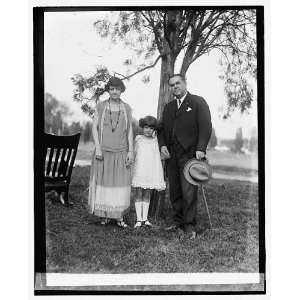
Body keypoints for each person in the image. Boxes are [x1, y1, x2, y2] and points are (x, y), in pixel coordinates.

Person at [158, 74, 212, 239]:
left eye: (178, 83)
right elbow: (161, 129)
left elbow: (206, 126)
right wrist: (163, 145)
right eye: (172, 85)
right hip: (172, 156)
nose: (175, 87)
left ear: (185, 83)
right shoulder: (168, 107)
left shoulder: (198, 102)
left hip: (190, 154)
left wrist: (201, 147)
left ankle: (189, 226)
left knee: (188, 191)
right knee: (175, 190)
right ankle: (178, 222)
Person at [88, 76, 134, 228]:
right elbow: (94, 127)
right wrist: (98, 148)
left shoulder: (126, 108)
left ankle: (119, 216)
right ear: (108, 90)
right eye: (112, 89)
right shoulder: (101, 106)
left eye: (117, 89)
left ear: (122, 90)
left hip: (121, 151)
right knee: (104, 183)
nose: (114, 92)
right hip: (104, 152)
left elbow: (129, 131)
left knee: (120, 184)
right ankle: (106, 215)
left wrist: (130, 151)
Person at [132, 116, 166, 228]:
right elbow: (134, 154)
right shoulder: (138, 139)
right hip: (139, 169)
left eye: (151, 128)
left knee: (147, 193)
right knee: (138, 193)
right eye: (146, 127)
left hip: (149, 170)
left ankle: (144, 218)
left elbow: (159, 155)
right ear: (142, 127)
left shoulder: (156, 141)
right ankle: (138, 219)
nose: (148, 130)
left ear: (154, 129)